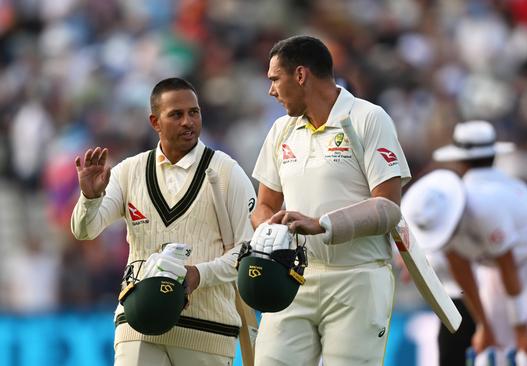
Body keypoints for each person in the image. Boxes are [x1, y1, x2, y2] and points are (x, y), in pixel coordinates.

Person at [70, 77, 256, 366]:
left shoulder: (226, 172)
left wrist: (199, 275)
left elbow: (248, 252)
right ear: (155, 122)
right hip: (138, 325)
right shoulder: (129, 171)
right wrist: (90, 198)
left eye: (194, 112)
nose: (188, 122)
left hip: (207, 329)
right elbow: (84, 231)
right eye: (176, 114)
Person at [250, 35, 411, 365]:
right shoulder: (281, 129)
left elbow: (389, 208)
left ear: (300, 75)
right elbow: (263, 204)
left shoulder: (368, 118)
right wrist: (271, 230)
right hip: (292, 277)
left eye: (274, 79)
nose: (271, 91)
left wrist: (322, 225)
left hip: (357, 278)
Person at [430, 120, 527, 366]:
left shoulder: (485, 203)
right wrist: (484, 324)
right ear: (493, 155)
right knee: (495, 347)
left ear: (459, 161)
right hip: (500, 264)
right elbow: (461, 267)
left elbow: (508, 263)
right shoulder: (454, 203)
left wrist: (522, 325)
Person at [401, 169, 476, 366]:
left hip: (472, 299)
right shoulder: (425, 224)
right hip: (451, 302)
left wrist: (484, 320)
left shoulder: (457, 233)